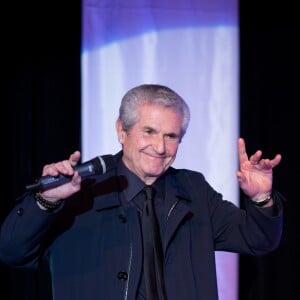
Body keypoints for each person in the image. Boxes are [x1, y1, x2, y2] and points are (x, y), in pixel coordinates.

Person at [0, 84, 284, 300]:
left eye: (171, 136)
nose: (160, 147)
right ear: (122, 131)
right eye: (149, 132)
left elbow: (257, 239)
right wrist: (46, 200)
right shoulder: (78, 191)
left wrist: (261, 198)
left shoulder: (193, 189)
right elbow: (13, 251)